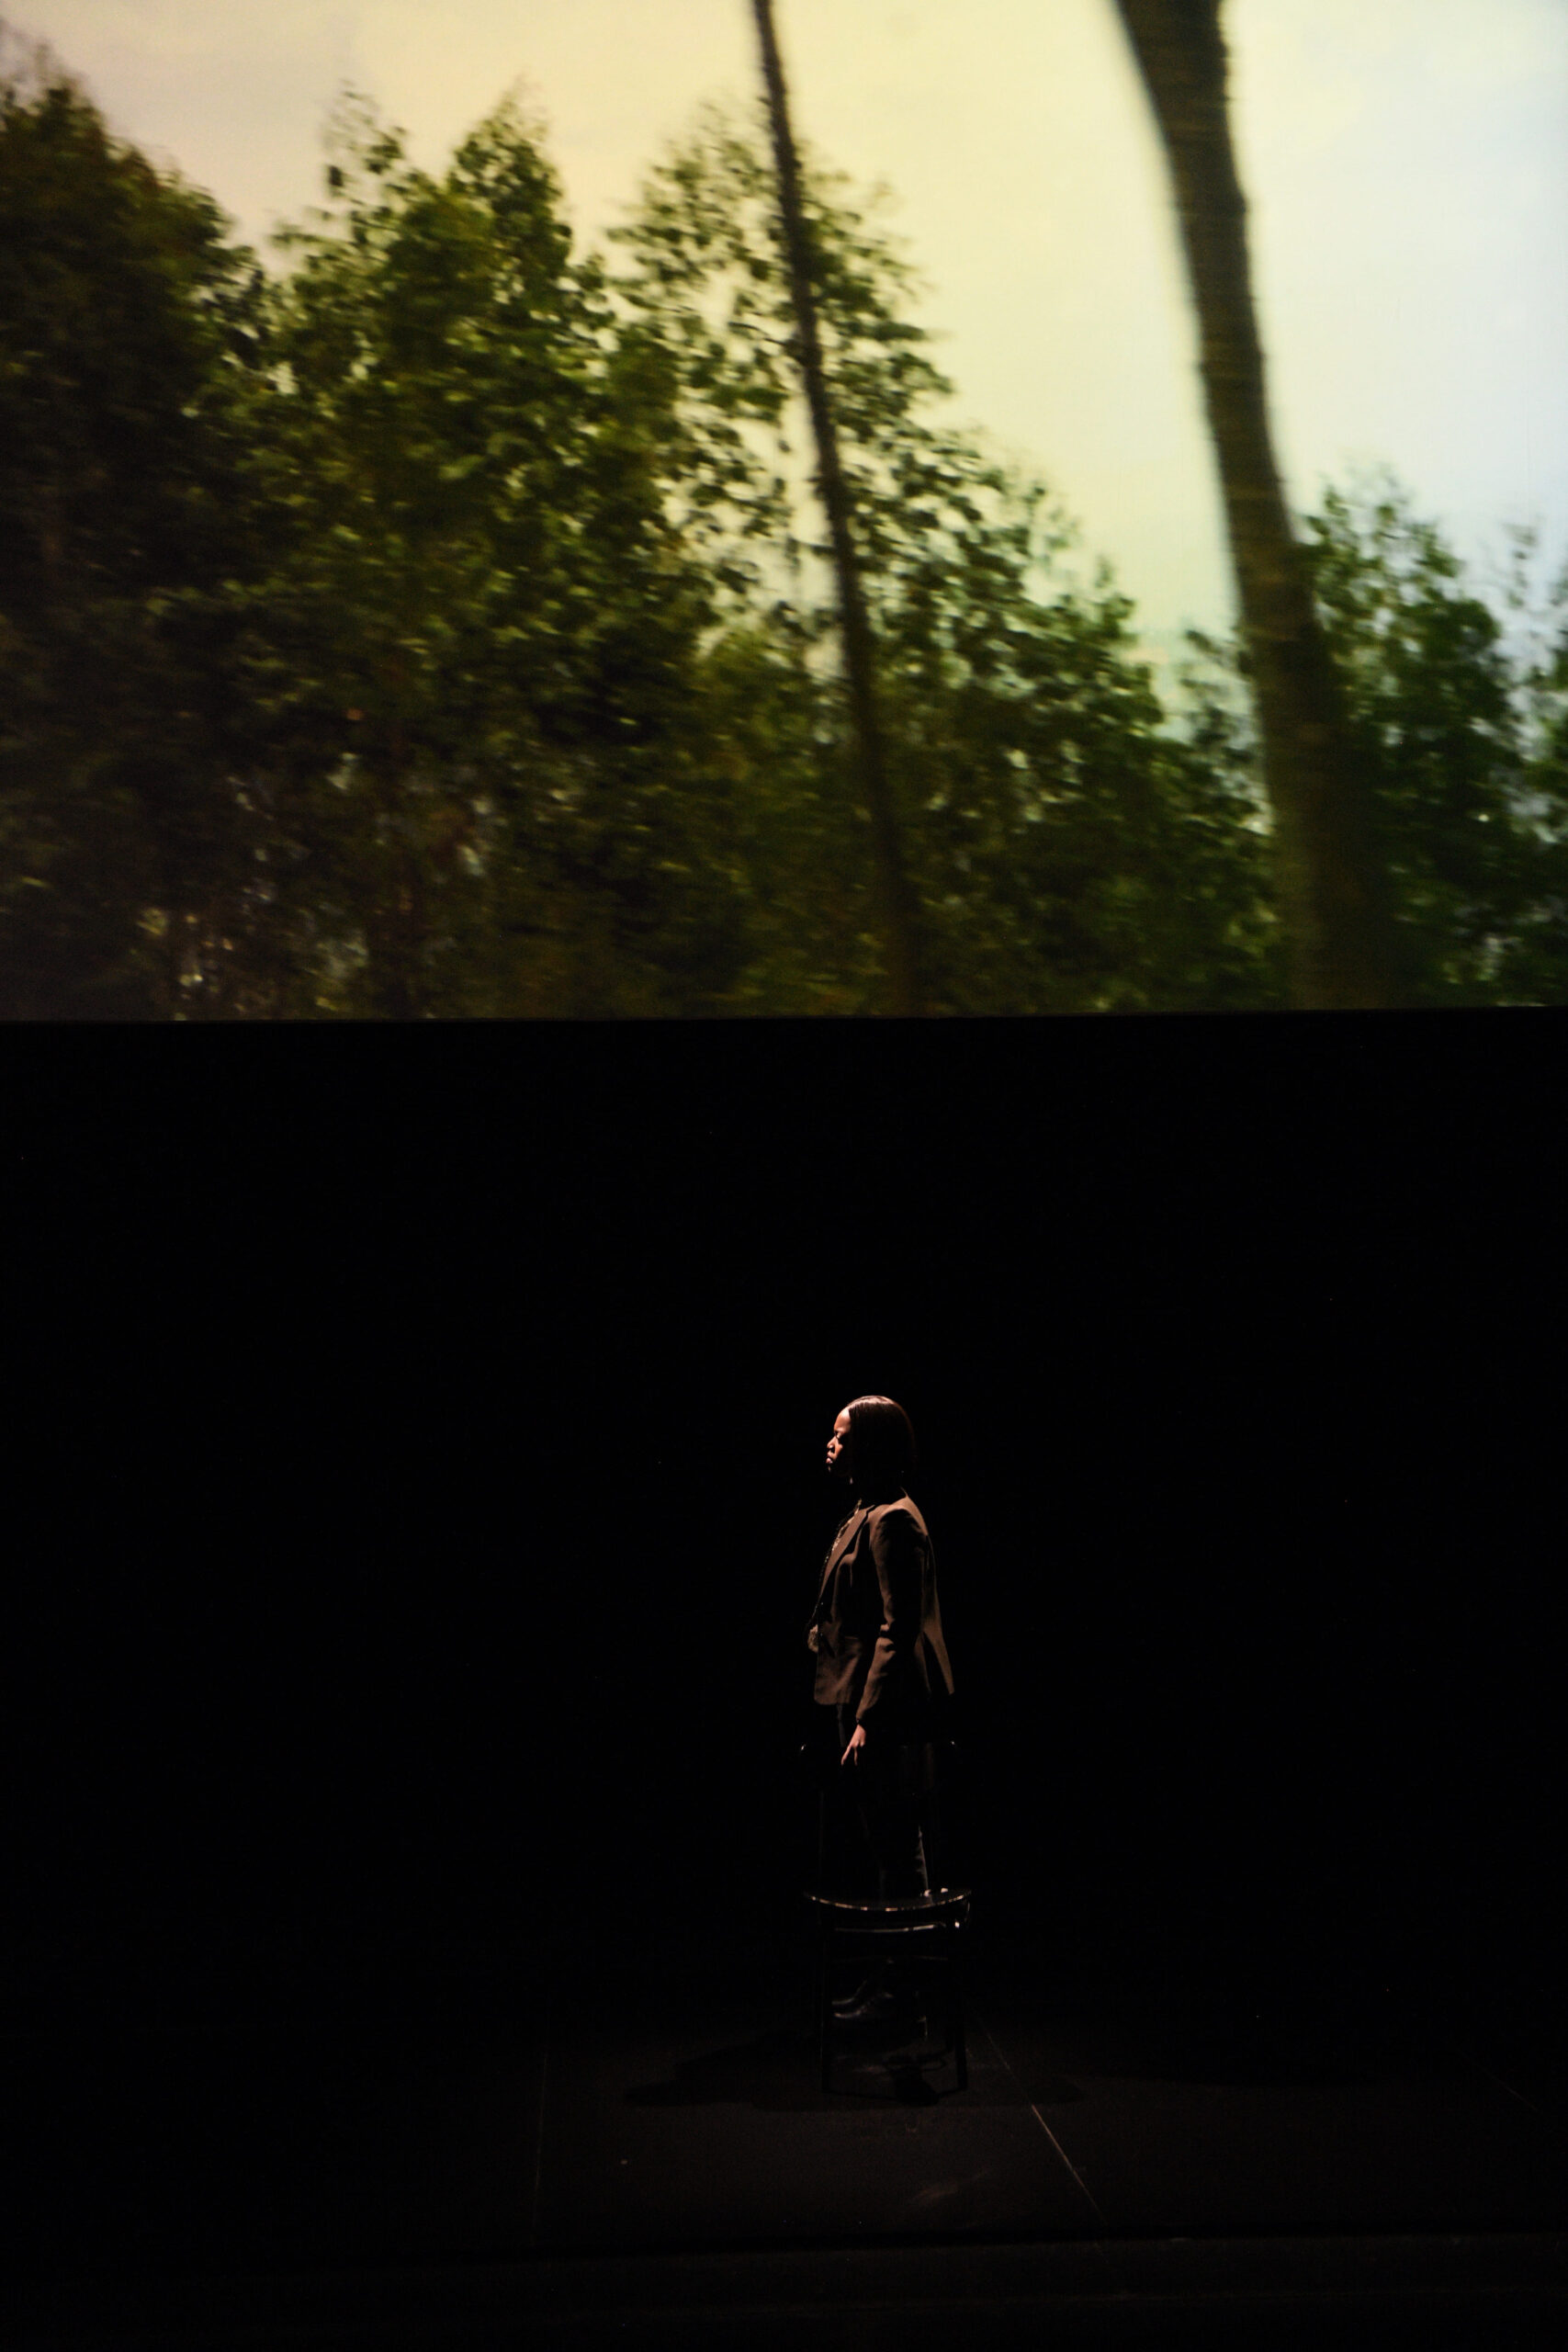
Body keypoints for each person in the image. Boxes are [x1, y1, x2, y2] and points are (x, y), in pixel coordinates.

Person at [807, 1395, 954, 2023]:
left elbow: (900, 1628)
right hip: (861, 1700)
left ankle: (903, 1991)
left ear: (869, 1445)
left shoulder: (893, 1520)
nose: (831, 1444)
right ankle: (894, 1981)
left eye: (843, 1436)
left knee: (897, 1848)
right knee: (884, 1843)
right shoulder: (864, 1511)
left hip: (888, 1710)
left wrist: (868, 1718)